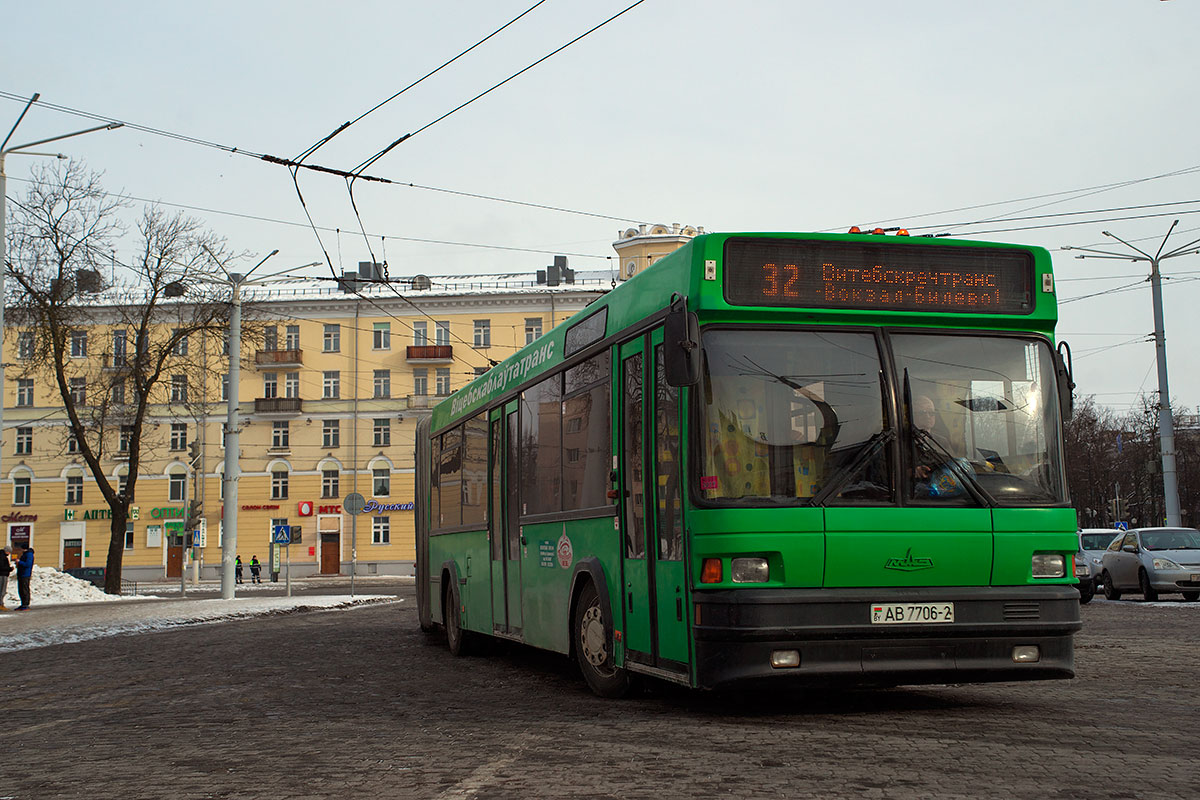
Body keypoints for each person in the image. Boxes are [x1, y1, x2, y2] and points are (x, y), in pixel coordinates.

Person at [15, 545, 34, 611]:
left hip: (25, 574)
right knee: (21, 589)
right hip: (21, 574)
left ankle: (26, 604)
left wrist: (19, 562)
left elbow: (28, 564)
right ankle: (23, 603)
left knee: (24, 589)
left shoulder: (29, 555)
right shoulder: (25, 554)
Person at [0, 546, 12, 611]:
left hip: (3, 574)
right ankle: (0, 604)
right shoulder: (2, 557)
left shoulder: (2, 556)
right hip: (2, 575)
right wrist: (9, 569)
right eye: (9, 552)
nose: (9, 554)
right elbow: (1, 567)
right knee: (2, 590)